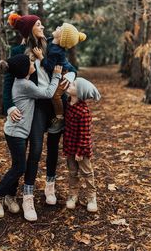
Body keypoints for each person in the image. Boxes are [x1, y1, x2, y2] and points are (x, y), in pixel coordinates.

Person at [2, 13, 69, 221]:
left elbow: (66, 65)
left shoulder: (50, 46)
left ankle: (50, 187)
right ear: (30, 28)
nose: (43, 27)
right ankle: (27, 197)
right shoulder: (18, 51)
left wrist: (71, 75)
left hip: (55, 103)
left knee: (53, 148)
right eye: (39, 24)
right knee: (36, 148)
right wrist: (9, 106)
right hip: (37, 105)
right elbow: (8, 83)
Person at [0, 54, 62, 221]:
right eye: (29, 62)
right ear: (24, 70)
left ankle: (8, 195)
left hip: (17, 132)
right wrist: (56, 75)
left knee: (17, 165)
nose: (32, 62)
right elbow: (49, 92)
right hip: (16, 134)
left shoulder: (22, 82)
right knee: (20, 167)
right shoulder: (25, 85)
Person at [33, 23, 86, 134]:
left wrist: (40, 57)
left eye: (60, 29)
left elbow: (49, 66)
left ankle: (60, 117)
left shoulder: (57, 51)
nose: (57, 27)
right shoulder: (51, 40)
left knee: (55, 95)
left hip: (63, 75)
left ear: (61, 37)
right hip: (60, 72)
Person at [63, 77, 101, 212]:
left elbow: (85, 135)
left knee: (86, 172)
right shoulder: (68, 103)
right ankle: (73, 195)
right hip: (70, 147)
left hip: (81, 150)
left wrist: (80, 152)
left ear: (79, 93)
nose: (69, 84)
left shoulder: (83, 112)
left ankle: (92, 197)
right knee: (72, 172)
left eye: (73, 84)